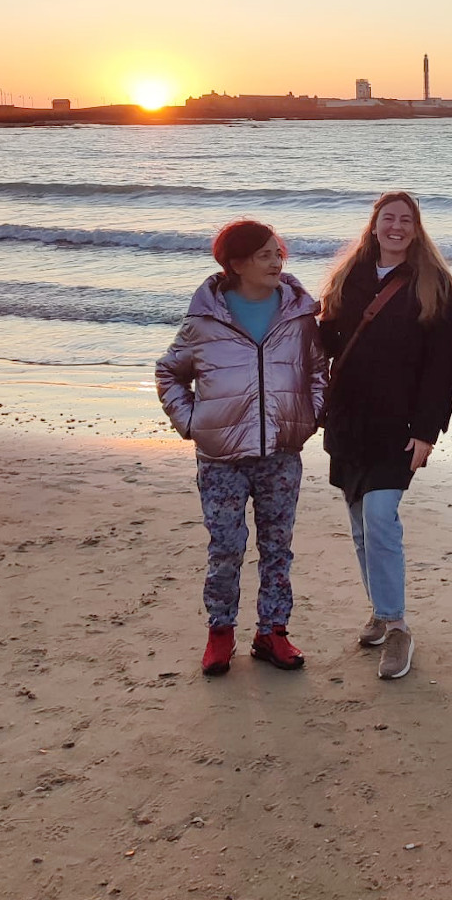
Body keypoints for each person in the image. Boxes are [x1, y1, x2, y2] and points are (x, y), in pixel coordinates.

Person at [156, 219, 327, 677]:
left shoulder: (298, 317)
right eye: (265, 255)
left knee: (278, 547)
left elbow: (317, 371)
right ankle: (220, 633)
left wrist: (310, 415)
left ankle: (273, 632)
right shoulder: (205, 321)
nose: (276, 262)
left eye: (278, 253)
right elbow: (169, 373)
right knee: (227, 547)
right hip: (221, 459)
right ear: (237, 264)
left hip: (281, 453)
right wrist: (191, 423)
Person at [319, 191, 452, 680]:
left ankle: (397, 626)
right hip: (348, 422)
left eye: (406, 219)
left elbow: (443, 366)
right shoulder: (350, 276)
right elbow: (326, 340)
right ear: (374, 225)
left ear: (417, 229)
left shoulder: (434, 283)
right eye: (388, 218)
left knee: (380, 518)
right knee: (360, 524)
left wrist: (427, 431)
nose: (396, 226)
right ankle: (381, 611)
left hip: (399, 427)